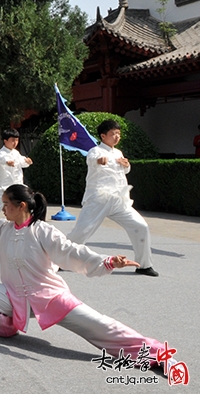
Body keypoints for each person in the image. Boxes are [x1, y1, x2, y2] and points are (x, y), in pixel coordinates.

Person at [0, 185, 166, 364]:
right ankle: (4, 329)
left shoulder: (44, 231)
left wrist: (108, 261)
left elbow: (73, 252)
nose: (2, 209)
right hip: (15, 297)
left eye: (6, 204)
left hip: (50, 298)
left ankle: (154, 353)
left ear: (22, 206)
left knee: (100, 326)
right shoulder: (1, 229)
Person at [66, 119, 158, 277]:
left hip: (119, 199)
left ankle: (144, 265)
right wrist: (99, 161)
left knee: (141, 226)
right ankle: (58, 259)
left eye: (118, 134)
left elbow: (125, 171)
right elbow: (92, 160)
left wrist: (126, 164)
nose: (116, 137)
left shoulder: (118, 152)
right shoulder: (95, 151)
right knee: (81, 232)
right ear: (103, 136)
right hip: (99, 199)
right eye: (113, 134)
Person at [0, 128, 32, 218]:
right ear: (5, 141)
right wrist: (7, 162)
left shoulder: (16, 153)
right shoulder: (0, 153)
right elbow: (2, 159)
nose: (15, 142)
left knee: (20, 209)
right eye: (13, 140)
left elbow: (22, 162)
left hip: (15, 188)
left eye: (17, 140)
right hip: (0, 189)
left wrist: (27, 161)